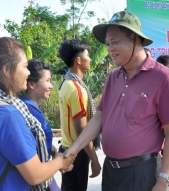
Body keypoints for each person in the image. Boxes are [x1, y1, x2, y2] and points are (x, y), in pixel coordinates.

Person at [64, 11, 169, 191]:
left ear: (134, 38)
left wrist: (163, 180)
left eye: (115, 42)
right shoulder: (114, 76)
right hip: (111, 170)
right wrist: (75, 148)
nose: (109, 48)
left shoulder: (163, 77)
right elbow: (98, 119)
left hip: (142, 172)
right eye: (108, 44)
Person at [0, 37, 73, 191]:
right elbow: (35, 175)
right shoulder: (7, 115)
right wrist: (60, 161)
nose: (28, 72)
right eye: (25, 66)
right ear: (7, 70)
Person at [57, 39, 101, 191]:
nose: (89, 59)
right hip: (77, 153)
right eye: (87, 55)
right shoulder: (76, 89)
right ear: (78, 60)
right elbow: (82, 130)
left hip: (67, 147)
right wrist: (94, 159)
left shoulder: (66, 83)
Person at [20, 59, 61, 190]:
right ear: (32, 84)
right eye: (47, 81)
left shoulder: (27, 107)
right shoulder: (31, 113)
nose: (51, 86)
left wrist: (49, 147)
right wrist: (60, 162)